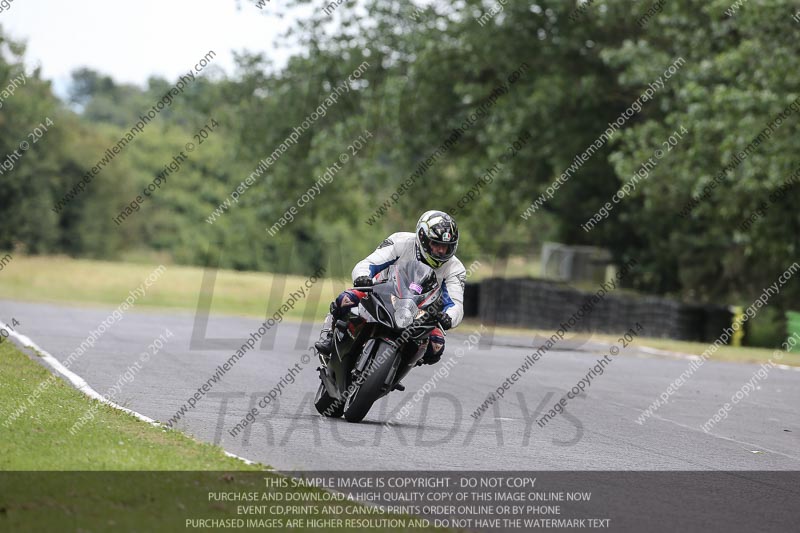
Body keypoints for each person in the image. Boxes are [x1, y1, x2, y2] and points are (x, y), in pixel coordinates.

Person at [315, 210, 466, 366]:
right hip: (384, 293)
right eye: (436, 244)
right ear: (422, 238)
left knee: (436, 346)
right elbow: (369, 263)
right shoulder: (400, 241)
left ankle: (400, 364)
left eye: (446, 247)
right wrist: (362, 276)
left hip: (422, 311)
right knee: (346, 299)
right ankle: (329, 336)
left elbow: (455, 304)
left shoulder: (455, 268)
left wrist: (449, 317)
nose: (441, 251)